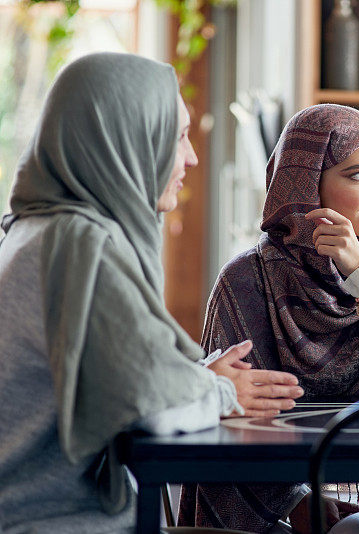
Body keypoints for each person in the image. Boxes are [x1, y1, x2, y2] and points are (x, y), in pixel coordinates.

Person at [0, 52, 303, 533]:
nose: (191, 157)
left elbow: (117, 378)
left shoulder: (30, 231)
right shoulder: (81, 247)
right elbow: (153, 410)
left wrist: (196, 378)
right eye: (178, 136)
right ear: (126, 140)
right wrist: (223, 391)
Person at [179, 104, 359, 533]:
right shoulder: (246, 280)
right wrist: (300, 502)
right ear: (307, 184)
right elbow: (225, 425)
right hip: (265, 507)